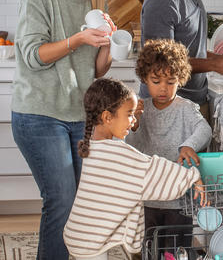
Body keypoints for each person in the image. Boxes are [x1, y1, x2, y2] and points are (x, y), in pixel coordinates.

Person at [11, 0, 113, 259]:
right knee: (62, 199)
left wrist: (107, 43)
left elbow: (97, 70)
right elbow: (31, 55)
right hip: (39, 114)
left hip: (77, 116)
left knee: (79, 205)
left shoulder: (95, 2)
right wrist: (79, 39)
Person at [63, 78, 206, 260]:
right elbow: (150, 168)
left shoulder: (91, 146)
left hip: (79, 233)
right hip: (91, 242)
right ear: (108, 117)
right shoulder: (118, 152)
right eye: (129, 114)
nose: (132, 121)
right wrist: (191, 176)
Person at [126, 39, 212, 253]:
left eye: (171, 81)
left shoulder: (186, 108)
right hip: (148, 198)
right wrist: (133, 125)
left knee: (177, 251)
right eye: (156, 81)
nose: (163, 88)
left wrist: (188, 145)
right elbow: (132, 147)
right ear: (145, 79)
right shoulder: (139, 109)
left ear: (180, 80)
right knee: (149, 249)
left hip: (179, 200)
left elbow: (205, 130)